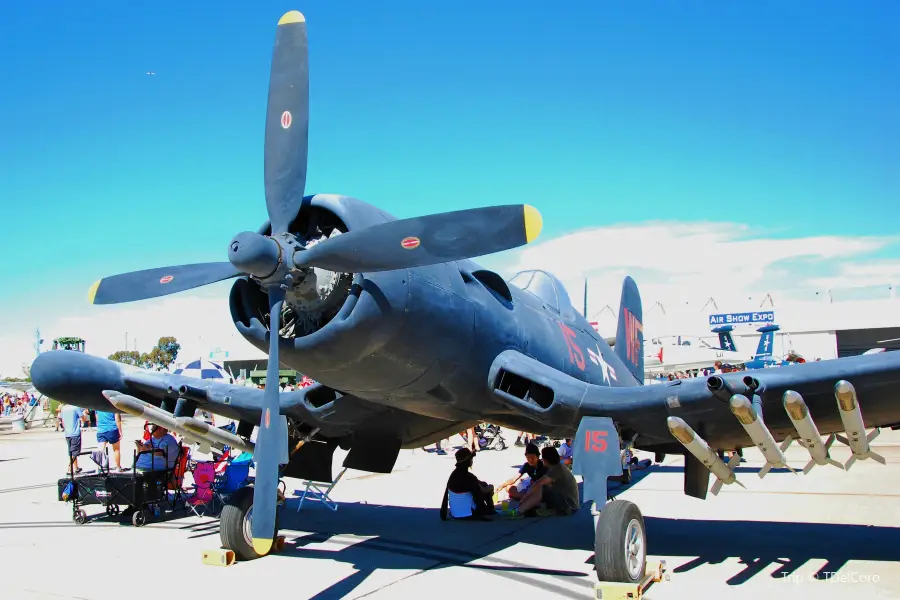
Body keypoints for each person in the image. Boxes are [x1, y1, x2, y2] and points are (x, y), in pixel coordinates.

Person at [512, 446, 580, 518]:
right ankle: (523, 509)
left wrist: (523, 499)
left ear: (546, 460)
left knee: (541, 487)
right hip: (570, 504)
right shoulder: (558, 467)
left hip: (569, 506)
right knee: (543, 487)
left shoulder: (556, 469)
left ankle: (519, 511)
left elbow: (538, 484)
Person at [440, 448, 495, 521]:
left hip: (455, 513)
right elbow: (483, 491)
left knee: (482, 484)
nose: (472, 460)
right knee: (486, 489)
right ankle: (489, 510)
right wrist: (491, 487)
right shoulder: (469, 477)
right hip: (468, 514)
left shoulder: (454, 475)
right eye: (471, 459)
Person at [60, 403, 88, 473]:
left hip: (67, 433)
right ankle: (69, 468)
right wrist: (84, 414)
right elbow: (83, 419)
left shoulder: (63, 408)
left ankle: (76, 468)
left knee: (71, 452)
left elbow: (62, 421)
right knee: (75, 452)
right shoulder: (75, 407)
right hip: (75, 432)